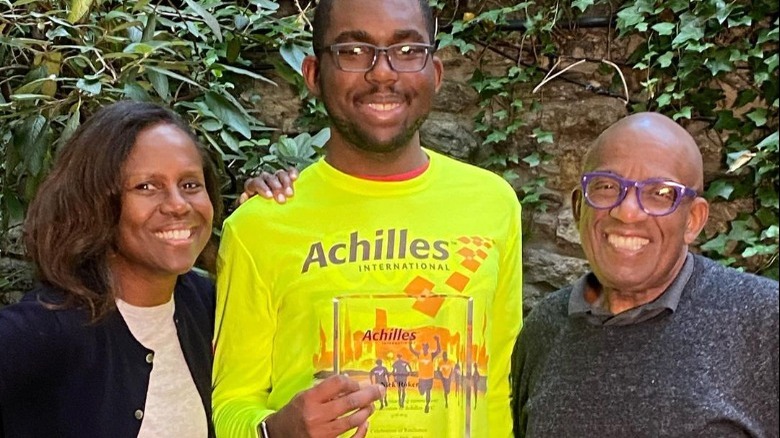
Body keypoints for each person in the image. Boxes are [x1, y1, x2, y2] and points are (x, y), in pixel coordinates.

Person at [212, 0, 523, 436]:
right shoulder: (258, 226)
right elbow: (229, 406)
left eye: (407, 49)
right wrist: (276, 431)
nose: (381, 73)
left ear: (434, 72)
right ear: (314, 75)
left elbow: (500, 388)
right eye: (353, 51)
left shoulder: (494, 203)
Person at [0, 101, 290, 438]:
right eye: (146, 187)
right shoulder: (44, 329)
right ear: (96, 203)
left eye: (190, 185)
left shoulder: (210, 307)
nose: (178, 205)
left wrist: (276, 216)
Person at [510, 112, 779, 437]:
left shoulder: (764, 323)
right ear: (579, 207)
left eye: (660, 193)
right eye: (607, 186)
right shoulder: (545, 328)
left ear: (693, 219)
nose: (627, 212)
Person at [410, 336, 441, 413]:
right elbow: (411, 350)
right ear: (422, 348)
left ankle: (427, 405)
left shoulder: (431, 355)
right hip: (421, 378)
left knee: (428, 391)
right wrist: (410, 341)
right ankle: (421, 390)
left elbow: (438, 350)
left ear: (428, 348)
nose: (424, 349)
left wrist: (437, 341)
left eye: (426, 347)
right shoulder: (419, 355)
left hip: (429, 377)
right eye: (423, 347)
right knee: (421, 392)